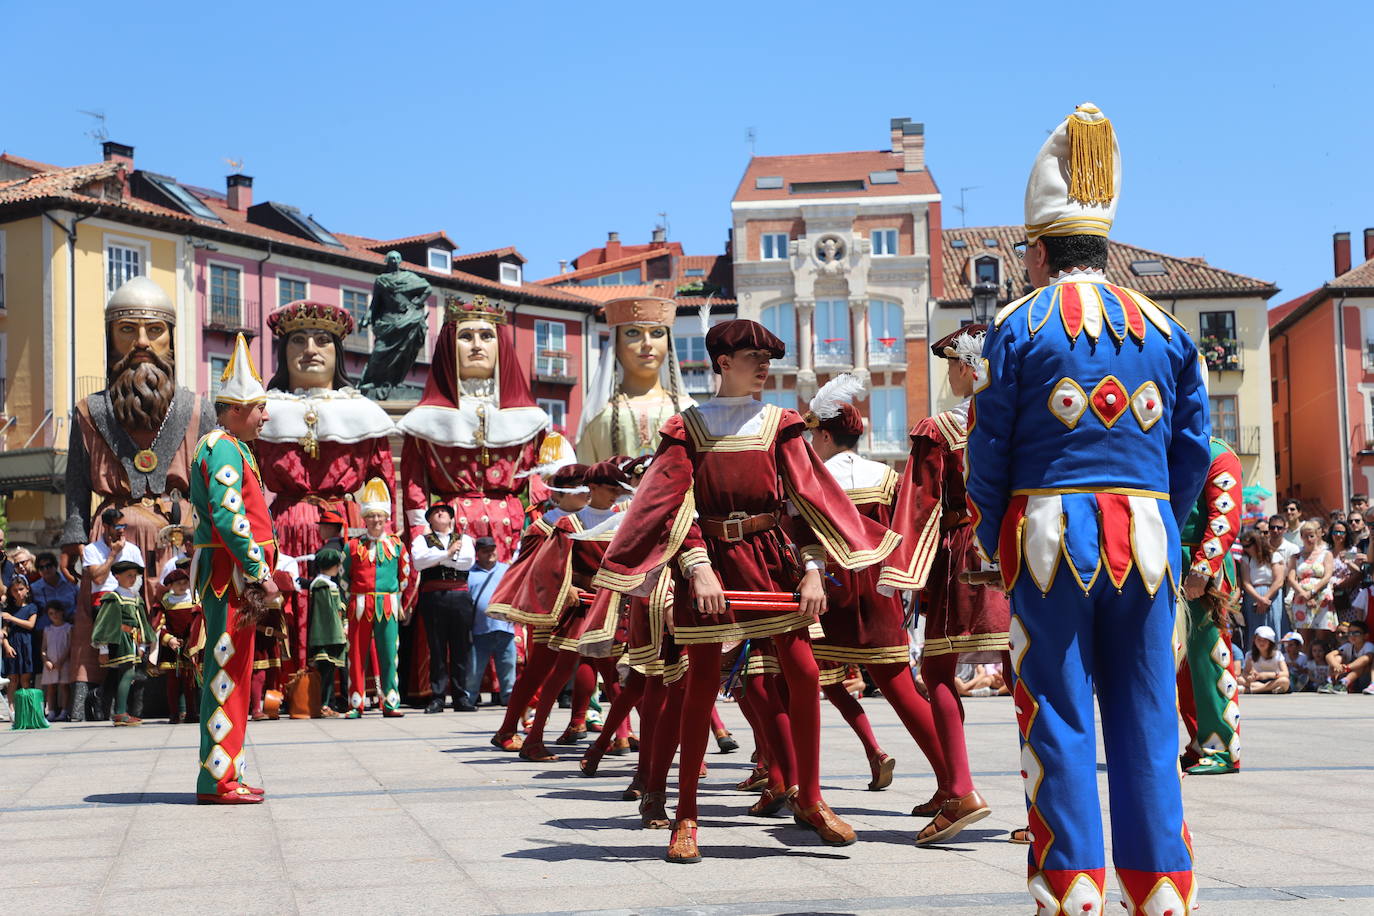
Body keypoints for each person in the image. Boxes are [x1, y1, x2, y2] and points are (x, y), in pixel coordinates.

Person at [964, 103, 1211, 912]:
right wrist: (1167, 531)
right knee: (1145, 720)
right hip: (1145, 541)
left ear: (1036, 250)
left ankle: (1072, 891)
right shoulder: (1169, 333)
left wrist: (986, 527)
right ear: (1103, 244)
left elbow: (989, 446)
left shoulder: (1017, 327)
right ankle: (1163, 892)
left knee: (1061, 718)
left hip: (1048, 539)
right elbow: (1194, 450)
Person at [593, 318, 900, 863]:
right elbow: (672, 505)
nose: (763, 365)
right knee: (701, 681)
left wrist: (811, 569)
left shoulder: (781, 424)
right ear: (721, 363)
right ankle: (686, 814)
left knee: (805, 673)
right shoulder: (686, 427)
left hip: (772, 562)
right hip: (708, 562)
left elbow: (805, 504)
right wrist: (696, 567)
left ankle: (811, 798)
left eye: (767, 357)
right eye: (751, 356)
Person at [878, 325, 1015, 843]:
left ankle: (959, 789)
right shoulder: (1017, 423)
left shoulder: (938, 431)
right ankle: (1042, 807)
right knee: (1023, 672)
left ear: (965, 366)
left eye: (952, 365)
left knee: (937, 668)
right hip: (1019, 551)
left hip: (963, 556)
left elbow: (919, 505)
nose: (951, 376)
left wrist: (902, 570)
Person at [62, 277, 212, 721]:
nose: (142, 342)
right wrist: (73, 536)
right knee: (109, 621)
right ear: (110, 336)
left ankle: (180, 698)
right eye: (127, 330)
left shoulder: (197, 408)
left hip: (177, 535)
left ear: (171, 337)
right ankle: (99, 703)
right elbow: (74, 480)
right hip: (113, 534)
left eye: (154, 330)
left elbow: (204, 479)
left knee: (179, 620)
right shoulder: (91, 410)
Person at [257, 300, 399, 676]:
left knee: (348, 601)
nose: (310, 351)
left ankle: (348, 686)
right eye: (298, 341)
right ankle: (289, 682)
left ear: (338, 353)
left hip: (347, 524)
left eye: (322, 341)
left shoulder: (363, 413)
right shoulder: (262, 412)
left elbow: (382, 483)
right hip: (284, 525)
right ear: (283, 353)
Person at [192, 334, 283, 805]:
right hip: (231, 579)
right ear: (235, 409)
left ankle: (230, 773)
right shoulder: (224, 447)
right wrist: (260, 571)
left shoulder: (234, 447)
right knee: (226, 675)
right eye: (260, 407)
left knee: (237, 676)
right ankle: (218, 780)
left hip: (236, 580)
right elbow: (231, 518)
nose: (266, 416)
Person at [1176, 437, 1243, 776]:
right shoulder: (1169, 445)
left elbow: (1225, 517)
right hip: (1170, 565)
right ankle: (1200, 742)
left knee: (1209, 662)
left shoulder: (1218, 453)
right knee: (1183, 668)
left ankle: (1221, 749)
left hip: (1202, 571)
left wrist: (1203, 569)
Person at [576, 296, 696, 463]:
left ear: (668, 344)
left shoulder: (689, 410)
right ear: (615, 344)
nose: (647, 343)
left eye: (657, 333)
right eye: (633, 333)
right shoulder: (598, 415)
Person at [343, 478, 412, 718]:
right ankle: (355, 703)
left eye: (379, 516)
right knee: (356, 655)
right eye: (371, 516)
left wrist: (398, 600)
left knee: (389, 655)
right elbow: (344, 577)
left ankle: (391, 703)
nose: (375, 520)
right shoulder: (352, 547)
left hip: (388, 605)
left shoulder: (396, 545)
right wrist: (349, 604)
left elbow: (405, 575)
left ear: (386, 519)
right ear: (364, 518)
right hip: (359, 605)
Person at [410, 503, 477, 713]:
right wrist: (447, 554)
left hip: (459, 595)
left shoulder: (464, 539)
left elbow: (467, 562)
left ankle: (461, 697)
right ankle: (437, 696)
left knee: (461, 647)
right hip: (433, 596)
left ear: (451, 518)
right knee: (436, 647)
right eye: (436, 512)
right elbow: (419, 562)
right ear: (429, 520)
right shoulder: (421, 540)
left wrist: (437, 559)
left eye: (445, 512)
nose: (441, 513)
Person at [358, 251, 433, 399]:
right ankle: (373, 381)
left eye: (397, 258)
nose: (395, 260)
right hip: (388, 320)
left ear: (401, 261)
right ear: (387, 260)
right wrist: (367, 317)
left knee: (403, 352)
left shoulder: (409, 277)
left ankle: (395, 381)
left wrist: (417, 302)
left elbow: (427, 288)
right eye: (392, 258)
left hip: (407, 318)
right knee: (380, 351)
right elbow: (375, 303)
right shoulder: (381, 280)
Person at [92, 560, 154, 726]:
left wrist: (142, 645)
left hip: (133, 640)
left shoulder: (135, 598)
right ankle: (120, 712)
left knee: (128, 674)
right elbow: (104, 624)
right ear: (117, 576)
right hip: (120, 640)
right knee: (127, 673)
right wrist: (103, 649)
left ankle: (121, 711)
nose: (132, 579)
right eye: (129, 576)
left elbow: (142, 623)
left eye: (134, 576)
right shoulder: (114, 598)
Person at [150, 564, 203, 724]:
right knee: (172, 683)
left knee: (190, 683)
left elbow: (198, 623)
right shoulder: (165, 603)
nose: (182, 586)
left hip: (189, 647)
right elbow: (159, 625)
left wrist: (192, 642)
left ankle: (191, 713)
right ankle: (174, 714)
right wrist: (169, 640)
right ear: (170, 586)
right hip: (172, 648)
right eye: (177, 583)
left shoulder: (194, 601)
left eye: (184, 582)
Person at [466, 537, 513, 706]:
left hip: (505, 628)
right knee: (474, 669)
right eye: (486, 550)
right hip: (479, 629)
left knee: (508, 667)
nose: (491, 553)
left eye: (493, 549)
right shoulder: (470, 573)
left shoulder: (507, 570)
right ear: (477, 554)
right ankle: (469, 699)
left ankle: (509, 699)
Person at [308, 548, 347, 717]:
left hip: (329, 635)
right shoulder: (322, 585)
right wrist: (340, 629)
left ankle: (325, 704)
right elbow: (330, 613)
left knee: (329, 672)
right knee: (325, 673)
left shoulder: (324, 583)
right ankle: (322, 704)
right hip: (328, 636)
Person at [1289, 520, 1336, 636]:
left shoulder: (1326, 554)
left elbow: (1327, 576)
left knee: (1322, 636)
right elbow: (1291, 578)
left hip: (1321, 596)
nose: (1309, 539)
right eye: (1305, 536)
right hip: (1301, 597)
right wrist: (1304, 594)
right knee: (1304, 636)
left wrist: (1312, 592)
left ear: (1317, 536)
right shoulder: (1296, 556)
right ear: (1301, 537)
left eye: (1311, 536)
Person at [1238, 528, 1284, 646]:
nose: (1246, 549)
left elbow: (1279, 581)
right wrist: (1260, 599)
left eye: (1248, 546)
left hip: (1272, 596)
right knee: (1254, 629)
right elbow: (1246, 582)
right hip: (1253, 596)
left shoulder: (1274, 555)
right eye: (1244, 546)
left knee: (1273, 625)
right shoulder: (1246, 559)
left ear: (1257, 543)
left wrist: (1265, 598)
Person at [2, 577, 39, 705]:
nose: (18, 593)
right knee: (13, 678)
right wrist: (6, 646)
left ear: (27, 589)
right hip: (13, 644)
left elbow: (30, 625)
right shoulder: (9, 609)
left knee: (25, 678)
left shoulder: (32, 607)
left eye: (21, 589)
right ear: (11, 593)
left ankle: (26, 707)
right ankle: (11, 708)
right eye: (15, 590)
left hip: (27, 644)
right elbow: (4, 630)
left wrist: (12, 618)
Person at [1327, 521, 1366, 623]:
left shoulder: (1352, 552)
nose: (1338, 535)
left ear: (1347, 534)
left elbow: (1359, 573)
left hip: (1350, 595)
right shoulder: (1326, 552)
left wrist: (1348, 562)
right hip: (1330, 596)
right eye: (1335, 532)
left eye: (1341, 532)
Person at [40, 601, 73, 720]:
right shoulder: (47, 629)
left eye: (56, 612)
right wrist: (46, 660)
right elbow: (43, 648)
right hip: (50, 662)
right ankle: (52, 711)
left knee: (64, 686)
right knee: (51, 687)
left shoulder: (68, 628)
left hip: (64, 662)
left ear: (62, 612)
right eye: (51, 613)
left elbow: (69, 646)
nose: (54, 615)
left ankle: (64, 711)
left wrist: (61, 661)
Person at [1320, 620, 1373, 694]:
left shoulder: (1368, 645)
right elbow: (1329, 655)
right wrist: (1337, 666)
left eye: (1356, 633)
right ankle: (1329, 681)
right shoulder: (1348, 646)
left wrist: (1347, 668)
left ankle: (1344, 683)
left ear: (1365, 636)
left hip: (1364, 679)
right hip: (1349, 677)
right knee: (1338, 658)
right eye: (1350, 633)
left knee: (1361, 665)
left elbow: (1367, 658)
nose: (1352, 636)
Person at [1240, 626, 1289, 694]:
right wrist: (1249, 677)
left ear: (1270, 642)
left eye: (1265, 640)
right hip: (1258, 681)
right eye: (1259, 640)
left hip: (1274, 679)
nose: (1261, 643)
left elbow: (1285, 673)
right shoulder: (1250, 655)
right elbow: (1245, 673)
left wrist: (1267, 675)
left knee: (1284, 681)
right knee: (1239, 680)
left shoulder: (1278, 655)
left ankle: (1253, 690)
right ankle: (1268, 689)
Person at [31, 553, 77, 623]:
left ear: (55, 566)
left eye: (48, 566)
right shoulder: (34, 588)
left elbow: (81, 602)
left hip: (72, 624)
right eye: (41, 567)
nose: (45, 569)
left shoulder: (69, 581)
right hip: (48, 628)